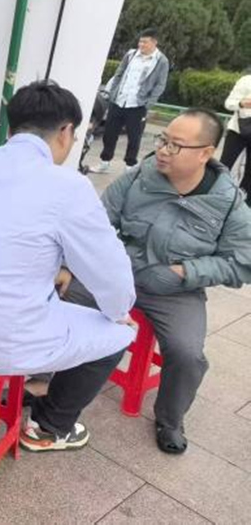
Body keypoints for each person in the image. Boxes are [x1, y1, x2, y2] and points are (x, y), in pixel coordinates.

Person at [0, 81, 137, 452]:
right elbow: (111, 274)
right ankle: (50, 426)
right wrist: (120, 313)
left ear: (13, 124)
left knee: (41, 302)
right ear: (66, 131)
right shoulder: (67, 186)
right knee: (119, 333)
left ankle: (27, 387)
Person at [99, 109, 251, 453]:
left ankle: (170, 419)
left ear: (205, 153)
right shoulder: (140, 177)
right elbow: (98, 220)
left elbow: (243, 261)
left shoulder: (227, 202)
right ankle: (44, 384)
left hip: (175, 290)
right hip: (119, 274)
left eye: (175, 145)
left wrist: (188, 272)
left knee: (187, 353)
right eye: (163, 140)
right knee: (63, 302)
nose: (163, 150)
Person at [91, 28, 170, 172]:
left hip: (138, 105)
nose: (141, 45)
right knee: (109, 134)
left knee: (134, 137)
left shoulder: (161, 61)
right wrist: (112, 93)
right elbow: (119, 74)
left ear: (154, 43)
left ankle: (129, 166)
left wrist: (148, 104)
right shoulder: (131, 54)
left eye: (145, 42)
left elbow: (160, 85)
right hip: (118, 101)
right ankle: (104, 162)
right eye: (140, 41)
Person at [219, 70, 251, 204]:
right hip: (237, 130)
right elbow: (228, 103)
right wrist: (241, 103)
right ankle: (215, 194)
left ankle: (245, 204)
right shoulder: (246, 80)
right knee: (225, 165)